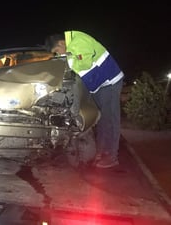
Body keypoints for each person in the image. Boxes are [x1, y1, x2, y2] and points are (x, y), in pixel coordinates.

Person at [45, 30, 124, 168]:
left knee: (110, 119)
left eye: (57, 51)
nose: (59, 54)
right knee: (102, 119)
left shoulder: (78, 42)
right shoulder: (72, 46)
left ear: (62, 43)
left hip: (110, 82)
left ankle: (111, 156)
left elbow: (85, 64)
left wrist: (69, 60)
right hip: (100, 84)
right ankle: (101, 151)